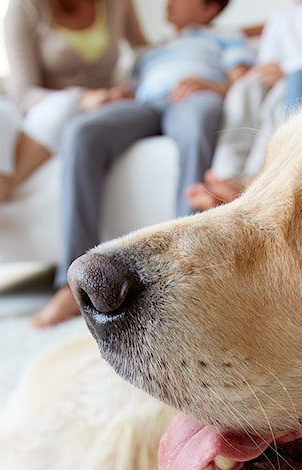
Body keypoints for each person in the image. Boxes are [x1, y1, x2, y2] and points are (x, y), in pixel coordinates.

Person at [0, 0, 147, 328]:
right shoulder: (25, 9)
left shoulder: (117, 4)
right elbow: (22, 91)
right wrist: (80, 97)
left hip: (88, 112)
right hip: (35, 109)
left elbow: (144, 51)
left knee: (66, 114)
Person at [32, 0, 254, 327]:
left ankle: (183, 268)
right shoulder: (151, 52)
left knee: (199, 121)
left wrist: (213, 87)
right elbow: (132, 88)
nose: (168, 3)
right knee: (82, 131)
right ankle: (69, 283)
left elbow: (244, 80)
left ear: (208, 9)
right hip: (145, 104)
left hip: (193, 98)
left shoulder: (225, 38)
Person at [185, 0, 302, 212]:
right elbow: (268, 63)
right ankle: (223, 176)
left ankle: (252, 181)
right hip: (280, 79)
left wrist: (285, 76)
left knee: (281, 94)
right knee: (246, 89)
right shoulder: (282, 17)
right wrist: (259, 75)